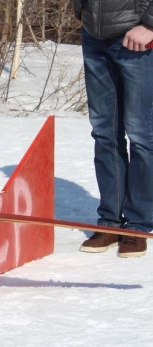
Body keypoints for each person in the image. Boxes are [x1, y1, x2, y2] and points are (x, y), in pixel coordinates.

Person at [75, 0, 153, 257]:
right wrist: (83, 11)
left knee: (141, 135)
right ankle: (110, 221)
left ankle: (138, 225)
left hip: (137, 35)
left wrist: (150, 23)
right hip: (94, 35)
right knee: (104, 132)